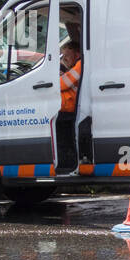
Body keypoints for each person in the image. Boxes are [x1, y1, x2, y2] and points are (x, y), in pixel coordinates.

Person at [57, 40, 82, 172]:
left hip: (69, 110)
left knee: (65, 141)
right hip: (67, 109)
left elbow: (61, 84)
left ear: (77, 53)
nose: (65, 59)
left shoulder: (80, 64)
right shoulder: (73, 66)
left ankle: (67, 164)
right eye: (63, 56)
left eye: (67, 56)